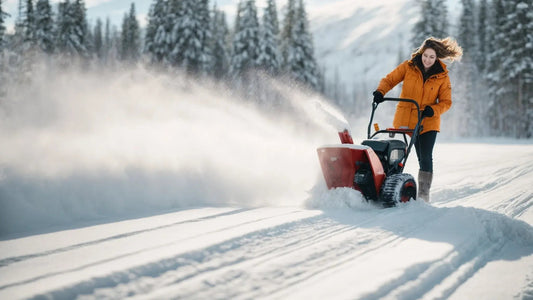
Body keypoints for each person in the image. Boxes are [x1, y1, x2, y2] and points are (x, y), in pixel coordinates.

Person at [372, 37, 463, 202]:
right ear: (421, 53)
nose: (427, 60)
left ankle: (423, 196)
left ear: (437, 58)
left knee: (425, 156)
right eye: (425, 55)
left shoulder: (442, 76)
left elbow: (446, 102)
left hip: (428, 121)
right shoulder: (408, 67)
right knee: (396, 152)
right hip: (406, 119)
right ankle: (387, 184)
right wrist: (380, 92)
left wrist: (433, 109)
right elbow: (390, 79)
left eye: (432, 57)